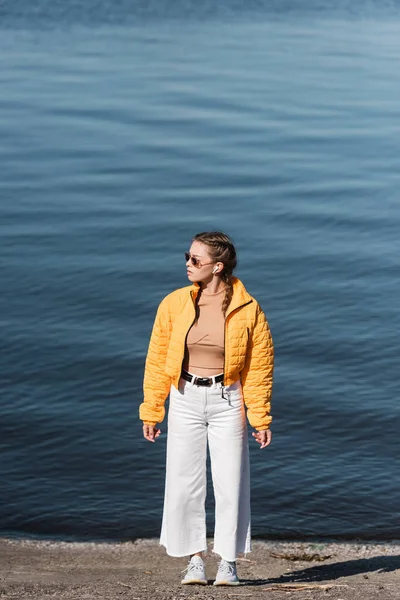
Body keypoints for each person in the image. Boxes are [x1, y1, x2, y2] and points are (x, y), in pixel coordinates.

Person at [139, 231, 274, 586]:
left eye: (195, 260)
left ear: (217, 267)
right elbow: (156, 360)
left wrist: (259, 416)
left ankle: (228, 562)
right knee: (184, 483)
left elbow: (258, 368)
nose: (187, 264)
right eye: (187, 256)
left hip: (227, 400)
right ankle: (194, 560)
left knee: (230, 483)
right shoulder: (174, 303)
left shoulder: (248, 309)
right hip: (184, 397)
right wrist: (152, 409)